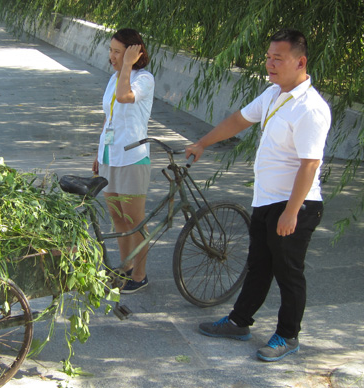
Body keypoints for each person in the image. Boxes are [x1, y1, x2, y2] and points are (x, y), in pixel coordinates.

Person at [186, 29, 331, 362]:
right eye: (268, 57)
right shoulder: (272, 95)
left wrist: (292, 212)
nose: (270, 63)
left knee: (288, 271)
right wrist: (203, 143)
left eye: (278, 58)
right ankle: (239, 322)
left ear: (301, 61)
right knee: (258, 265)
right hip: (266, 200)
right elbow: (239, 120)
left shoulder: (311, 108)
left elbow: (309, 166)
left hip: (297, 204)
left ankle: (287, 336)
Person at [92, 28, 155, 294]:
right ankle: (126, 266)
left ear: (133, 52)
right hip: (110, 155)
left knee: (134, 219)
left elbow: (124, 97)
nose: (112, 56)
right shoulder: (113, 78)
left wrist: (128, 65)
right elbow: (109, 118)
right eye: (111, 50)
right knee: (117, 217)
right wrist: (98, 155)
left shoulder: (143, 79)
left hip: (132, 157)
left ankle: (139, 275)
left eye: (118, 52)